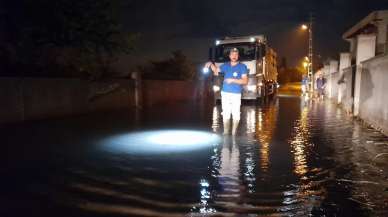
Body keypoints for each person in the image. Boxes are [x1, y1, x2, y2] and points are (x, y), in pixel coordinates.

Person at [205, 48, 248, 135]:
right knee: (225, 112)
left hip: (236, 94)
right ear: (229, 56)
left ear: (238, 56)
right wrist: (210, 64)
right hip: (225, 93)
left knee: (236, 113)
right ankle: (225, 131)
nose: (234, 56)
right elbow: (216, 71)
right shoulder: (225, 65)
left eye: (236, 54)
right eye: (232, 54)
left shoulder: (242, 66)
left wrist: (232, 80)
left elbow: (245, 81)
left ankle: (234, 132)